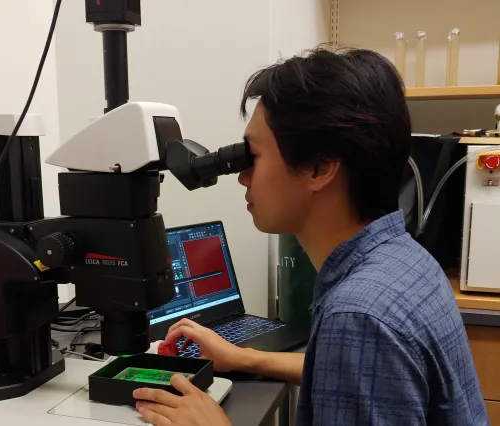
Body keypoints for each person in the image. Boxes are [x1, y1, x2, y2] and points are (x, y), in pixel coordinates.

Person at [133, 45, 489, 426]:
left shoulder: (358, 313)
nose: (241, 175)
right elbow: (347, 373)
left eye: (253, 156)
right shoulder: (405, 261)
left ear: (319, 168)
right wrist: (244, 358)